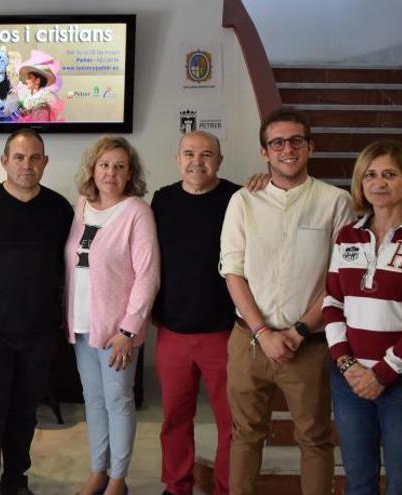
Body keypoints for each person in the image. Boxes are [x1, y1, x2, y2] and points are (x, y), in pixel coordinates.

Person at [219, 107, 355, 495]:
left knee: (314, 439)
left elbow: (338, 278)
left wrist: (297, 331)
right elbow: (233, 271)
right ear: (265, 152)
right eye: (277, 142)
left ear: (309, 147)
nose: (287, 149)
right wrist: (263, 332)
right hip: (248, 340)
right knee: (245, 434)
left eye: (296, 140)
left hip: (308, 344)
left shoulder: (335, 201)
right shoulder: (244, 201)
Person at [0, 128, 74, 495]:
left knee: (25, 412)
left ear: (44, 162)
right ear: (4, 162)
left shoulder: (60, 209)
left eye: (34, 157)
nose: (27, 165)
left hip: (39, 329)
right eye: (19, 157)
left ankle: (15, 481)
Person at [65, 136, 159, 495]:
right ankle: (97, 471)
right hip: (81, 326)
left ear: (130, 173)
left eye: (120, 166)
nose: (111, 172)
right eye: (105, 165)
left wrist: (129, 329)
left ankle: (118, 478)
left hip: (118, 331)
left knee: (119, 401)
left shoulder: (137, 211)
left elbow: (148, 275)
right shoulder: (81, 207)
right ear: (93, 168)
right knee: (94, 400)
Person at [151, 131, 239, 495]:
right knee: (175, 418)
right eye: (189, 153)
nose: (197, 162)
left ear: (219, 160)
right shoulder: (162, 200)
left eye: (206, 155)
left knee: (230, 423)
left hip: (224, 331)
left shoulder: (238, 198)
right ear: (177, 158)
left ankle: (225, 487)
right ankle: (177, 485)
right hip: (173, 330)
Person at [323, 140, 402, 494]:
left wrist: (384, 373)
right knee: (358, 481)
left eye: (389, 174)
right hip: (350, 381)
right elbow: (332, 302)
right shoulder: (348, 236)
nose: (378, 183)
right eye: (370, 175)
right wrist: (346, 365)